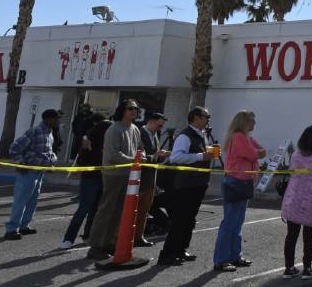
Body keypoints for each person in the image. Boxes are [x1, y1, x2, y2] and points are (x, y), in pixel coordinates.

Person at [158, 107, 217, 267]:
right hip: (186, 184)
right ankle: (167, 254)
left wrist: (207, 154)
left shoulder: (202, 135)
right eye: (206, 117)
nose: (208, 120)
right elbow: (177, 157)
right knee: (180, 219)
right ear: (196, 118)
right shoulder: (185, 136)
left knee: (190, 219)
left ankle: (181, 249)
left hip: (199, 183)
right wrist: (200, 156)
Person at [88, 101, 142, 261]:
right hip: (113, 174)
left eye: (136, 109)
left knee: (119, 212)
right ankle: (96, 246)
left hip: (129, 175)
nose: (134, 111)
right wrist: (134, 160)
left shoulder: (135, 128)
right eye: (130, 108)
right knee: (107, 210)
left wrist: (145, 156)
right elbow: (112, 154)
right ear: (122, 110)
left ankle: (109, 243)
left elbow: (139, 149)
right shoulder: (114, 129)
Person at [214, 109, 264, 272]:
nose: (255, 123)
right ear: (244, 122)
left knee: (237, 222)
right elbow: (253, 154)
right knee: (230, 222)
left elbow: (260, 151)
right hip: (236, 182)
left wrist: (257, 153)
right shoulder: (238, 137)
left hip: (243, 182)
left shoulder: (246, 138)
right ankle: (222, 259)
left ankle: (235, 256)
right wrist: (257, 153)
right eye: (252, 120)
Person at [3, 108, 62, 240]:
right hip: (27, 171)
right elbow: (14, 148)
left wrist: (51, 164)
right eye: (56, 118)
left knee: (32, 201)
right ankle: (11, 229)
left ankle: (24, 226)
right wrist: (21, 163)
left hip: (39, 171)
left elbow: (47, 152)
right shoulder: (34, 131)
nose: (58, 121)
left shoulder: (50, 133)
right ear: (48, 119)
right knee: (21, 200)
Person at [281, 125, 312, 280]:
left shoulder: (295, 155)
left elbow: (292, 172)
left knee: (291, 235)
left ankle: (289, 268)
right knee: (309, 236)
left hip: (293, 198)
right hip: (311, 201)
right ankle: (307, 268)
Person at [61, 112, 110, 249]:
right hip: (90, 179)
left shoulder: (105, 144)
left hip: (102, 179)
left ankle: (88, 235)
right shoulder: (88, 142)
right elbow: (81, 161)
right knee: (84, 208)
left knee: (95, 210)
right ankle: (68, 238)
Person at [135, 111, 171, 248]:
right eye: (159, 125)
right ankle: (128, 236)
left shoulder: (154, 134)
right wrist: (155, 155)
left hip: (150, 178)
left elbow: (153, 156)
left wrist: (161, 155)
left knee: (144, 211)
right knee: (134, 209)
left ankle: (139, 236)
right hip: (140, 178)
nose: (160, 128)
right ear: (150, 121)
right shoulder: (139, 133)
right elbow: (138, 155)